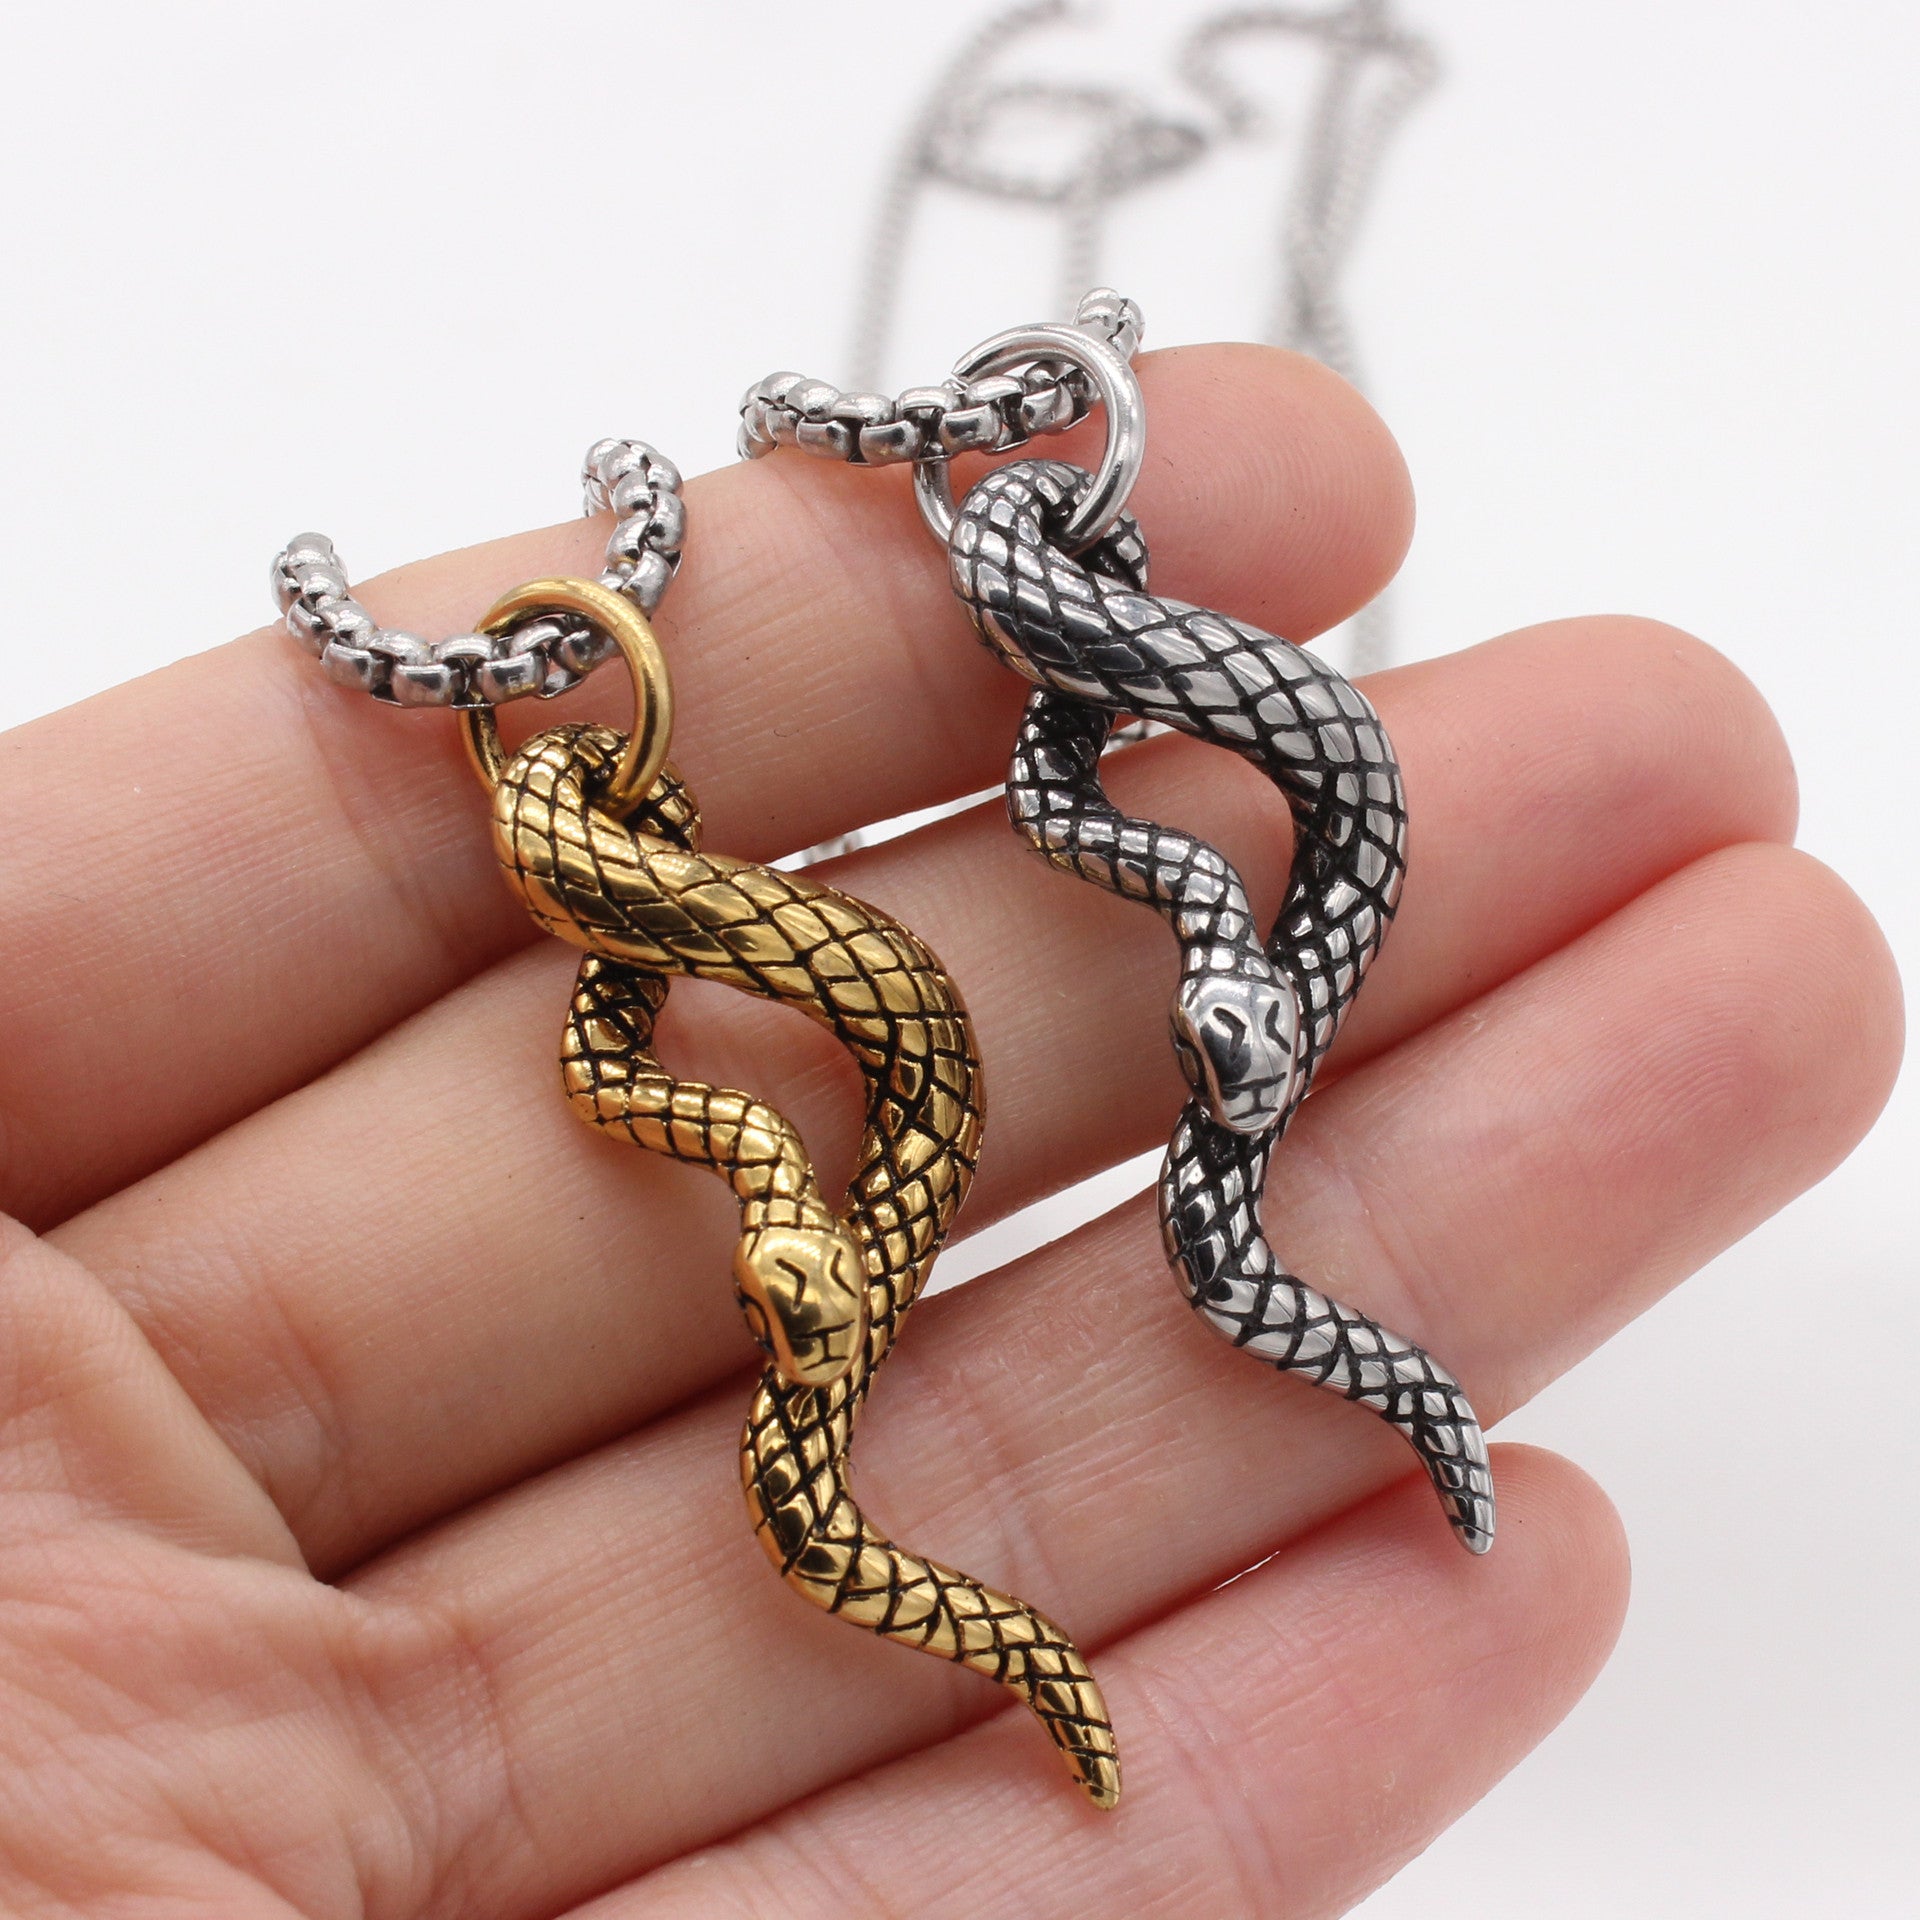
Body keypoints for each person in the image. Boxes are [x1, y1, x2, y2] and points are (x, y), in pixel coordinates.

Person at [0, 344, 1898, 1916]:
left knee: (1089, 1134)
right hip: (810, 974)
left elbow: (692, 1027)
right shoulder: (698, 988)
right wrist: (672, 1036)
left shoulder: (1145, 876)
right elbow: (630, 1056)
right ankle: (1037, 1642)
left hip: (912, 948)